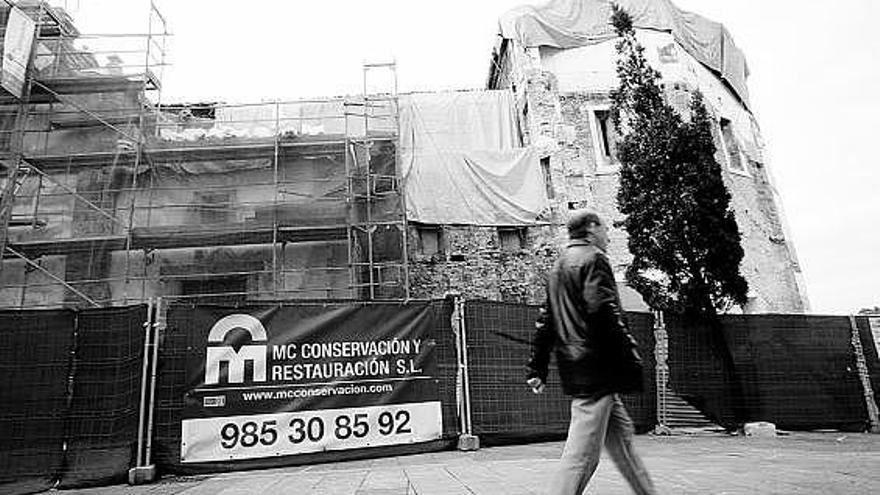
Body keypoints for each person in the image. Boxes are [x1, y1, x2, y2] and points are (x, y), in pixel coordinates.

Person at [526, 210, 656, 495]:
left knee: (623, 445)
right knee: (579, 457)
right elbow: (603, 312)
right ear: (592, 228)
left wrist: (537, 369)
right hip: (596, 372)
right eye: (606, 228)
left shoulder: (559, 266)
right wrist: (631, 351)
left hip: (584, 372)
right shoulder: (594, 259)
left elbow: (545, 322)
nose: (608, 235)